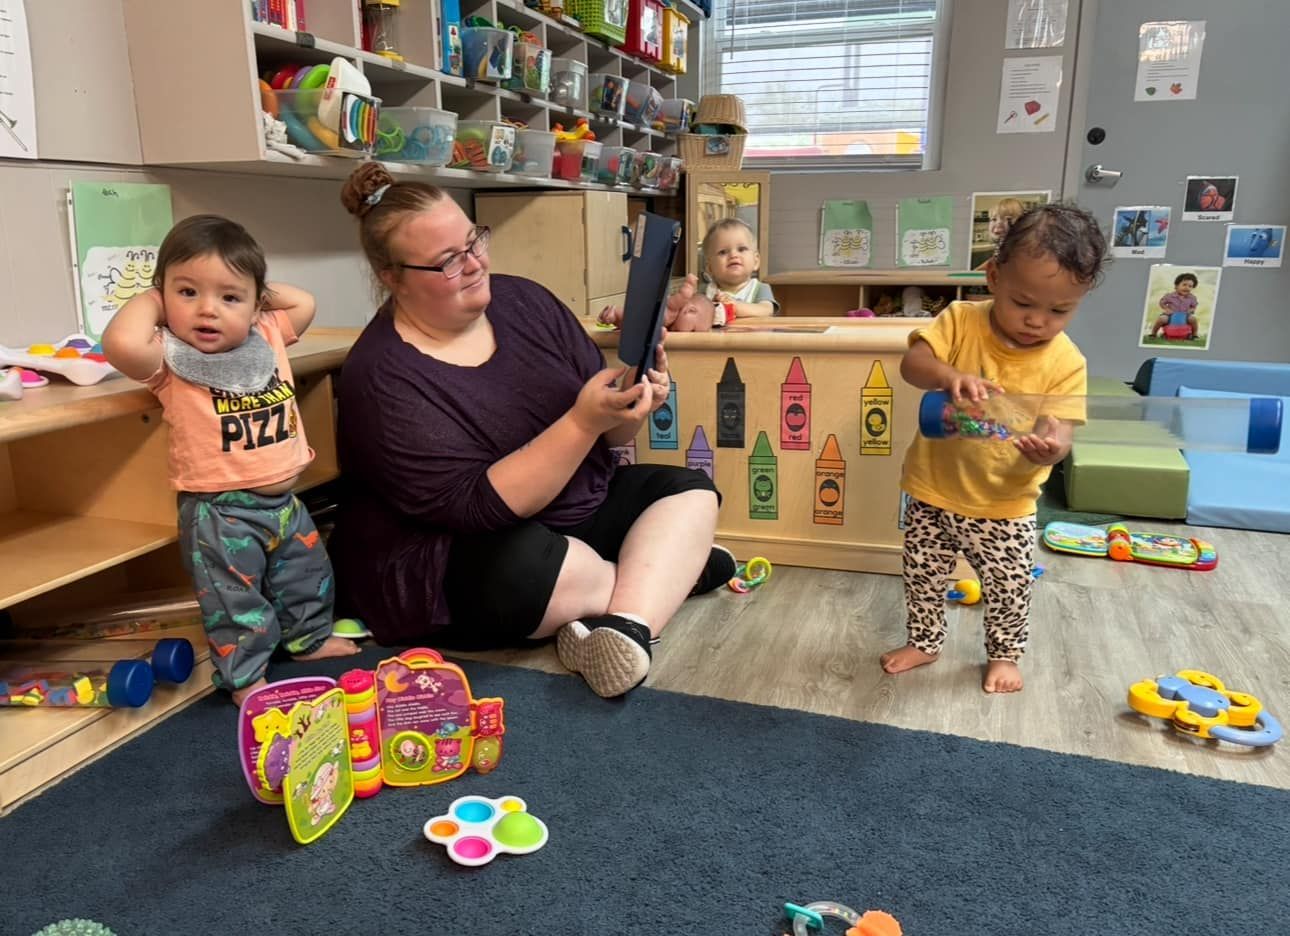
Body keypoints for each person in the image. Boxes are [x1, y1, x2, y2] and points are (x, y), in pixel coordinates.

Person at [328, 162, 735, 699]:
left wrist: (625, 410)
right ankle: (657, 581)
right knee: (526, 570)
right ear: (392, 278)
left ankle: (626, 628)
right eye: (448, 261)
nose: (474, 264)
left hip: (570, 517)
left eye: (474, 241)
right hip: (460, 555)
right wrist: (583, 419)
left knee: (689, 491)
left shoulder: (525, 301)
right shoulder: (382, 377)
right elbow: (480, 510)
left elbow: (605, 441)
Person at [101, 215, 359, 705]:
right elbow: (120, 344)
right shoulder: (169, 358)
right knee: (234, 601)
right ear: (163, 296)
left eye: (228, 297)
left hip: (284, 500)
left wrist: (253, 293)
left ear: (255, 302)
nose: (208, 310)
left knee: (308, 576)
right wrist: (156, 296)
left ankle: (308, 641)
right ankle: (245, 677)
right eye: (187, 292)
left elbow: (303, 302)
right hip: (220, 511)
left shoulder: (268, 333)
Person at [881, 203, 1106, 694]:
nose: (1037, 321)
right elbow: (913, 365)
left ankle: (1004, 654)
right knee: (922, 576)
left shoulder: (1067, 361)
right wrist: (950, 375)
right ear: (993, 276)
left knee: (1008, 587)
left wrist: (1050, 450)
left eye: (1059, 311)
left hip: (1006, 502)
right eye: (1024, 303)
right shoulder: (961, 320)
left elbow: (1062, 430)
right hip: (933, 490)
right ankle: (924, 640)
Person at [700, 218, 778, 326]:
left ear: (756, 261)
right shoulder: (705, 292)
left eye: (741, 249)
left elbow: (766, 310)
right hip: (713, 342)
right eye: (723, 252)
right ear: (710, 268)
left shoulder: (760, 288)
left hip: (752, 341)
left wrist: (735, 306)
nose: (733, 255)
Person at [974, 197, 1025, 270]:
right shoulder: (1002, 246)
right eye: (994, 219)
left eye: (1008, 219)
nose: (998, 223)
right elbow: (994, 261)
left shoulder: (1016, 248)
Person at [1151, 272, 1198, 340]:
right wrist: (1166, 309)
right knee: (1161, 319)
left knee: (1193, 319)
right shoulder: (1170, 296)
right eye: (1184, 285)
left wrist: (1191, 310)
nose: (1187, 287)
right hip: (1170, 315)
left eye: (1190, 286)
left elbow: (1194, 306)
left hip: (1185, 315)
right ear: (1176, 286)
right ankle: (1153, 333)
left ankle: (1194, 334)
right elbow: (1162, 302)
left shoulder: (1192, 298)